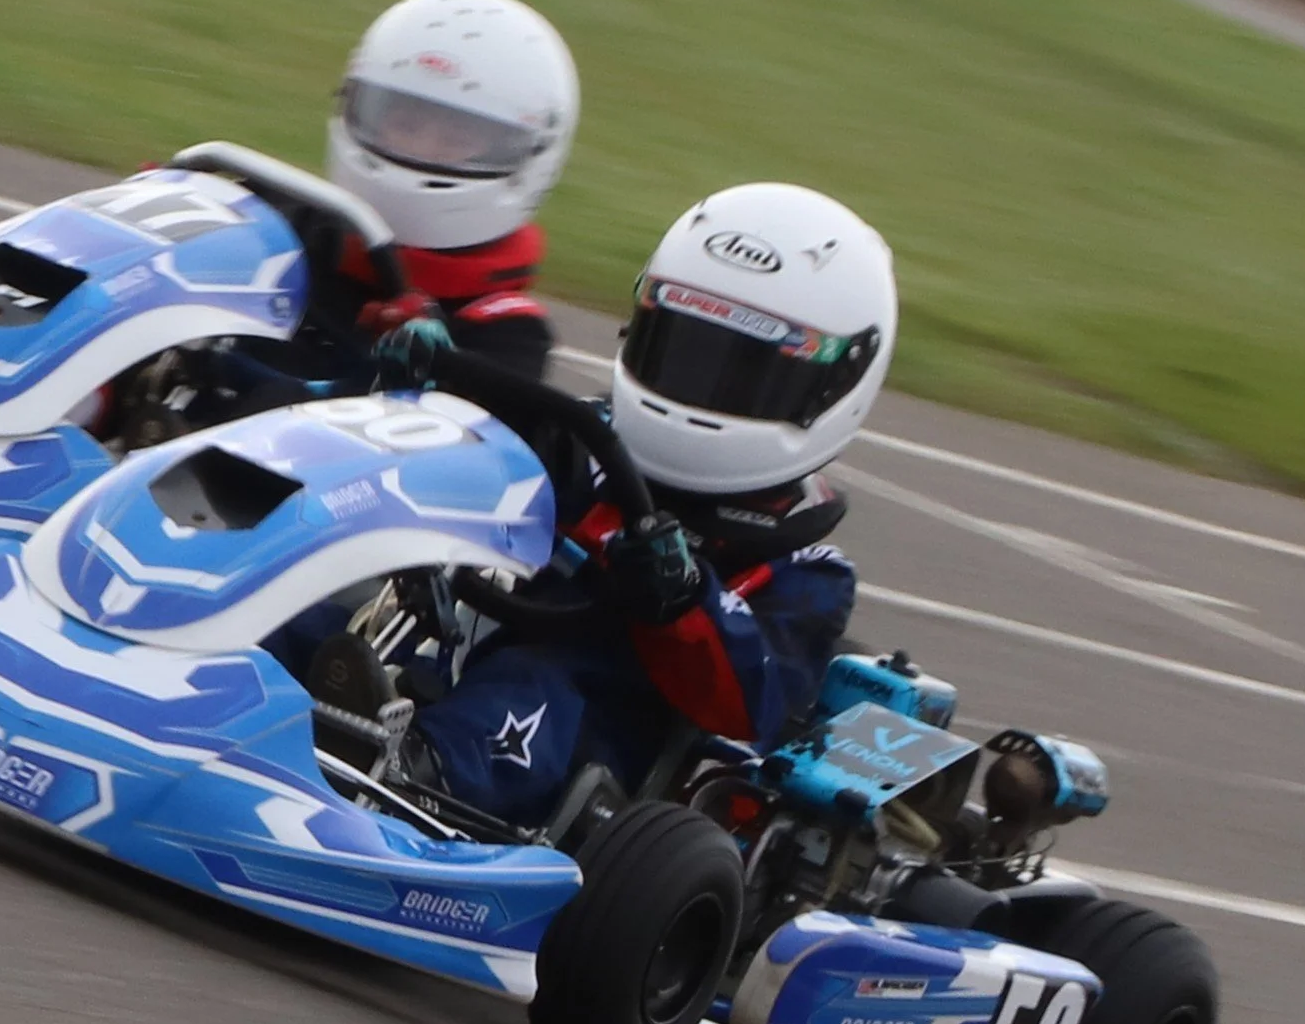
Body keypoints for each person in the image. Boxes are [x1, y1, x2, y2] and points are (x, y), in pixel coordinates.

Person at [315, 182, 898, 831]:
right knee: (331, 602)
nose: (694, 387)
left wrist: (681, 598)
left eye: (737, 373)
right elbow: (472, 457)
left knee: (538, 684)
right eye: (679, 348)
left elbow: (751, 707)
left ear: (832, 386)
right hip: (444, 643)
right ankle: (230, 679)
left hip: (596, 756)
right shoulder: (577, 436)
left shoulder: (804, 567)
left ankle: (407, 772)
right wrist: (433, 375)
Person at [213, 0, 577, 412]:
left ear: (531, 156)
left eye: (456, 139)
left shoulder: (505, 331)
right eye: (404, 123)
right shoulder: (281, 222)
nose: (423, 147)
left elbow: (474, 447)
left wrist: (436, 370)